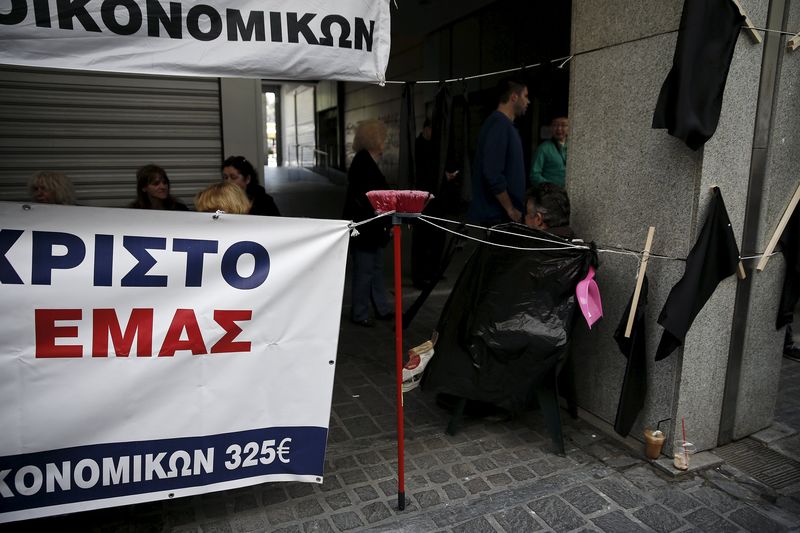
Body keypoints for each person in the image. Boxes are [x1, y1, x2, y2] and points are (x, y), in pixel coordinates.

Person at [342, 119, 394, 327]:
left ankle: (380, 307)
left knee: (374, 267)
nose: (385, 141)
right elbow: (369, 198)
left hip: (369, 226)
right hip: (366, 226)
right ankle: (361, 311)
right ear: (374, 139)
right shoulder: (364, 165)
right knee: (365, 270)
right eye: (383, 137)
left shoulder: (363, 162)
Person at [468, 79, 529, 226]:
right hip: (497, 216)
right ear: (514, 97)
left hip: (500, 215)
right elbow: (492, 173)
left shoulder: (503, 125)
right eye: (525, 96)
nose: (528, 101)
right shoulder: (499, 125)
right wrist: (510, 209)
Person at [530, 116, 569, 188]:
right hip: (551, 195)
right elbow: (534, 175)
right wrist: (550, 187)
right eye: (555, 125)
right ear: (550, 128)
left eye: (563, 125)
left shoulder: (574, 148)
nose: (559, 129)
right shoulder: (543, 148)